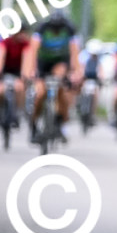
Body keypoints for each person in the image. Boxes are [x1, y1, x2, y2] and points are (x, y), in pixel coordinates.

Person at [28, 11, 81, 142]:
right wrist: (32, 69)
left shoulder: (69, 29)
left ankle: (59, 120)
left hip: (60, 61)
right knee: (40, 94)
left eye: (58, 29)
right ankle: (34, 124)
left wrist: (75, 72)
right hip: (43, 62)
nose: (56, 32)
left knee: (62, 88)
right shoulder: (42, 28)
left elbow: (74, 52)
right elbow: (33, 50)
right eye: (54, 29)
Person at [0, 24, 34, 134]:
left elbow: (28, 59)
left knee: (20, 88)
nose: (22, 35)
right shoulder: (6, 42)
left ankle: (17, 113)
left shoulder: (26, 44)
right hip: (5, 71)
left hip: (18, 72)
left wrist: (26, 75)